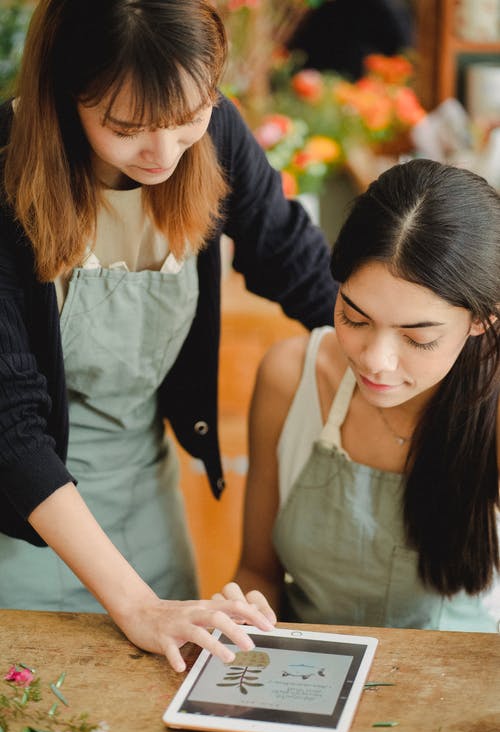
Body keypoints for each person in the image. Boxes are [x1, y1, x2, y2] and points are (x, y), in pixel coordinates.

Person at [0, 0, 337, 671]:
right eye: (127, 128)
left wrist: (401, 355)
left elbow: (298, 266)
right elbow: (9, 425)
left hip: (145, 488)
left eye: (189, 120)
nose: (163, 154)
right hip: (20, 516)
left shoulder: (216, 137)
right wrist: (133, 605)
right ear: (65, 96)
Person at [221, 159, 500, 632]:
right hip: (305, 678)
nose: (376, 360)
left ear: (483, 320)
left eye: (417, 338)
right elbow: (257, 571)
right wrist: (242, 615)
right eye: (355, 318)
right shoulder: (291, 378)